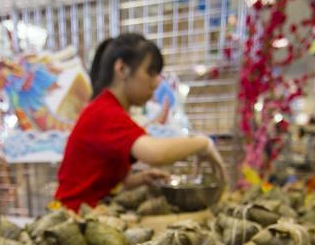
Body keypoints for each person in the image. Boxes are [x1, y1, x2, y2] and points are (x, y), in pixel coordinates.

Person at [55, 33, 226, 210]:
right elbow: (155, 154)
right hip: (71, 219)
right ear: (122, 69)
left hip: (91, 214)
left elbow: (100, 179)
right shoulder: (104, 112)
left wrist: (138, 179)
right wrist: (202, 143)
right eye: (150, 73)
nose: (156, 83)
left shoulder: (110, 109)